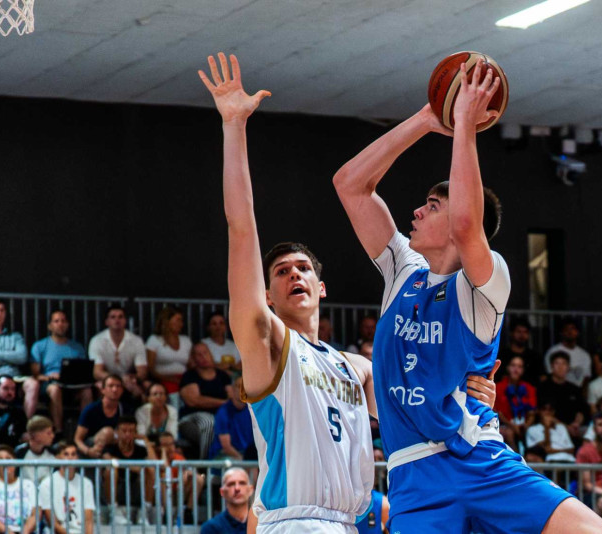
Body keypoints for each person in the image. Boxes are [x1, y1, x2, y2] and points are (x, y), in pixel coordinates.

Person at [199, 52, 498, 533]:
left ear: (322, 288)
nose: (293, 276)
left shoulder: (356, 368)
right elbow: (240, 226)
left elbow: (419, 402)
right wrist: (234, 127)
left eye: (302, 269)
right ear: (267, 296)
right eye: (280, 272)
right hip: (294, 523)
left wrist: (471, 394)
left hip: (347, 524)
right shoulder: (266, 342)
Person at [332, 54, 602, 532]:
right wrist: (427, 118)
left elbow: (465, 224)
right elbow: (350, 185)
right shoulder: (403, 270)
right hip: (413, 477)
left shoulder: (486, 282)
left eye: (431, 205)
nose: (416, 212)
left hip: (480, 462)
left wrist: (465, 124)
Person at [22, 310, 92, 432]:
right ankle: (58, 431)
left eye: (63, 321)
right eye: (56, 321)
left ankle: (83, 432)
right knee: (55, 389)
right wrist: (50, 377)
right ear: (50, 326)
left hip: (72, 385)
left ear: (68, 324)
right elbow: (35, 374)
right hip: (50, 385)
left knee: (87, 391)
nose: (60, 324)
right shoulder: (40, 346)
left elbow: (84, 371)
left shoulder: (77, 347)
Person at [179, 342, 231, 459]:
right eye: (198, 354)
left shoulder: (223, 376)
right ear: (193, 358)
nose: (203, 357)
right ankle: (205, 464)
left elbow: (231, 397)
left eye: (205, 353)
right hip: (191, 420)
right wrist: (222, 402)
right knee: (209, 423)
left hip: (219, 417)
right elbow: (194, 400)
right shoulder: (189, 376)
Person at [102, 415, 156, 525]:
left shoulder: (140, 449)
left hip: (137, 487)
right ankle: (114, 513)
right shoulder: (110, 447)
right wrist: (134, 467)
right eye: (124, 431)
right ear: (117, 432)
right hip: (117, 487)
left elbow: (154, 463)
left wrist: (145, 441)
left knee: (150, 470)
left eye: (131, 431)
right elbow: (108, 459)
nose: (127, 434)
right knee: (110, 470)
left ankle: (144, 512)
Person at [88, 305, 148, 399]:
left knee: (146, 387)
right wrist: (118, 380)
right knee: (100, 386)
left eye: (120, 317)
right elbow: (97, 372)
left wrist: (133, 378)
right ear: (107, 322)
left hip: (129, 380)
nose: (117, 320)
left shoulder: (137, 341)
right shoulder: (97, 341)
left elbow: (142, 372)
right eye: (113, 317)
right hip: (107, 379)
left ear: (125, 321)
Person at [38, 440, 95, 534]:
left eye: (73, 454)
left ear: (77, 458)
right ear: (58, 458)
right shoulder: (47, 484)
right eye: (66, 454)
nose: (70, 458)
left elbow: (88, 520)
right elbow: (51, 521)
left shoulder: (86, 483)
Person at [538, 352, 589, 440]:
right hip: (552, 428)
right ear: (551, 367)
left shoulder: (574, 389)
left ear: (568, 367)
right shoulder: (543, 388)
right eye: (557, 363)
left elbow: (582, 410)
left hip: (575, 429)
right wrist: (566, 428)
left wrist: (577, 423)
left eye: (564, 364)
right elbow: (544, 413)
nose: (560, 367)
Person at [74, 374, 125, 458]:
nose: (115, 389)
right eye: (111, 386)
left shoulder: (125, 409)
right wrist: (88, 451)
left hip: (113, 444)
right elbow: (77, 439)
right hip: (91, 446)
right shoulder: (91, 409)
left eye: (118, 386)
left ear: (122, 390)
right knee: (107, 432)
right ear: (103, 390)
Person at [146, 306, 192, 394]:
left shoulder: (186, 340)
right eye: (178, 320)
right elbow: (150, 368)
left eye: (181, 321)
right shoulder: (154, 340)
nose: (181, 324)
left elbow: (191, 365)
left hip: (183, 380)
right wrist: (170, 379)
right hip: (162, 380)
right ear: (166, 321)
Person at [495, 355, 537, 450]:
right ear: (508, 368)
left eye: (519, 366)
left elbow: (532, 412)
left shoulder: (529, 388)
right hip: (504, 424)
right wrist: (513, 426)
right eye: (513, 365)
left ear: (523, 370)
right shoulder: (498, 387)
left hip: (525, 425)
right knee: (509, 433)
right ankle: (516, 457)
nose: (516, 369)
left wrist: (526, 426)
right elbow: (497, 412)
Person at [208, 375, 255, 460]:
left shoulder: (252, 411)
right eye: (239, 386)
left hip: (246, 453)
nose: (242, 389)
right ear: (232, 389)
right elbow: (226, 447)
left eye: (245, 386)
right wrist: (243, 461)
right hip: (224, 455)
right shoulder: (223, 412)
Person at [199, 467, 253, 534]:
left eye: (242, 483)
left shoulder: (261, 524)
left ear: (250, 490)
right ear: (222, 492)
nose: (237, 488)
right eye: (231, 484)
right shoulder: (211, 528)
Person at [543, 318, 592, 387]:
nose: (570, 332)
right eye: (566, 329)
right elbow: (550, 375)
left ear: (577, 332)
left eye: (573, 329)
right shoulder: (552, 352)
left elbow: (586, 378)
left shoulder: (585, 355)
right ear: (561, 333)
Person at [496, 317, 544, 383]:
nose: (522, 335)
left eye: (525, 332)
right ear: (511, 333)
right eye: (518, 331)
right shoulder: (502, 355)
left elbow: (542, 378)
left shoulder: (535, 356)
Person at [15, 415, 56, 485]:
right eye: (48, 433)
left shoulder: (52, 452)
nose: (52, 436)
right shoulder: (20, 453)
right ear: (35, 434)